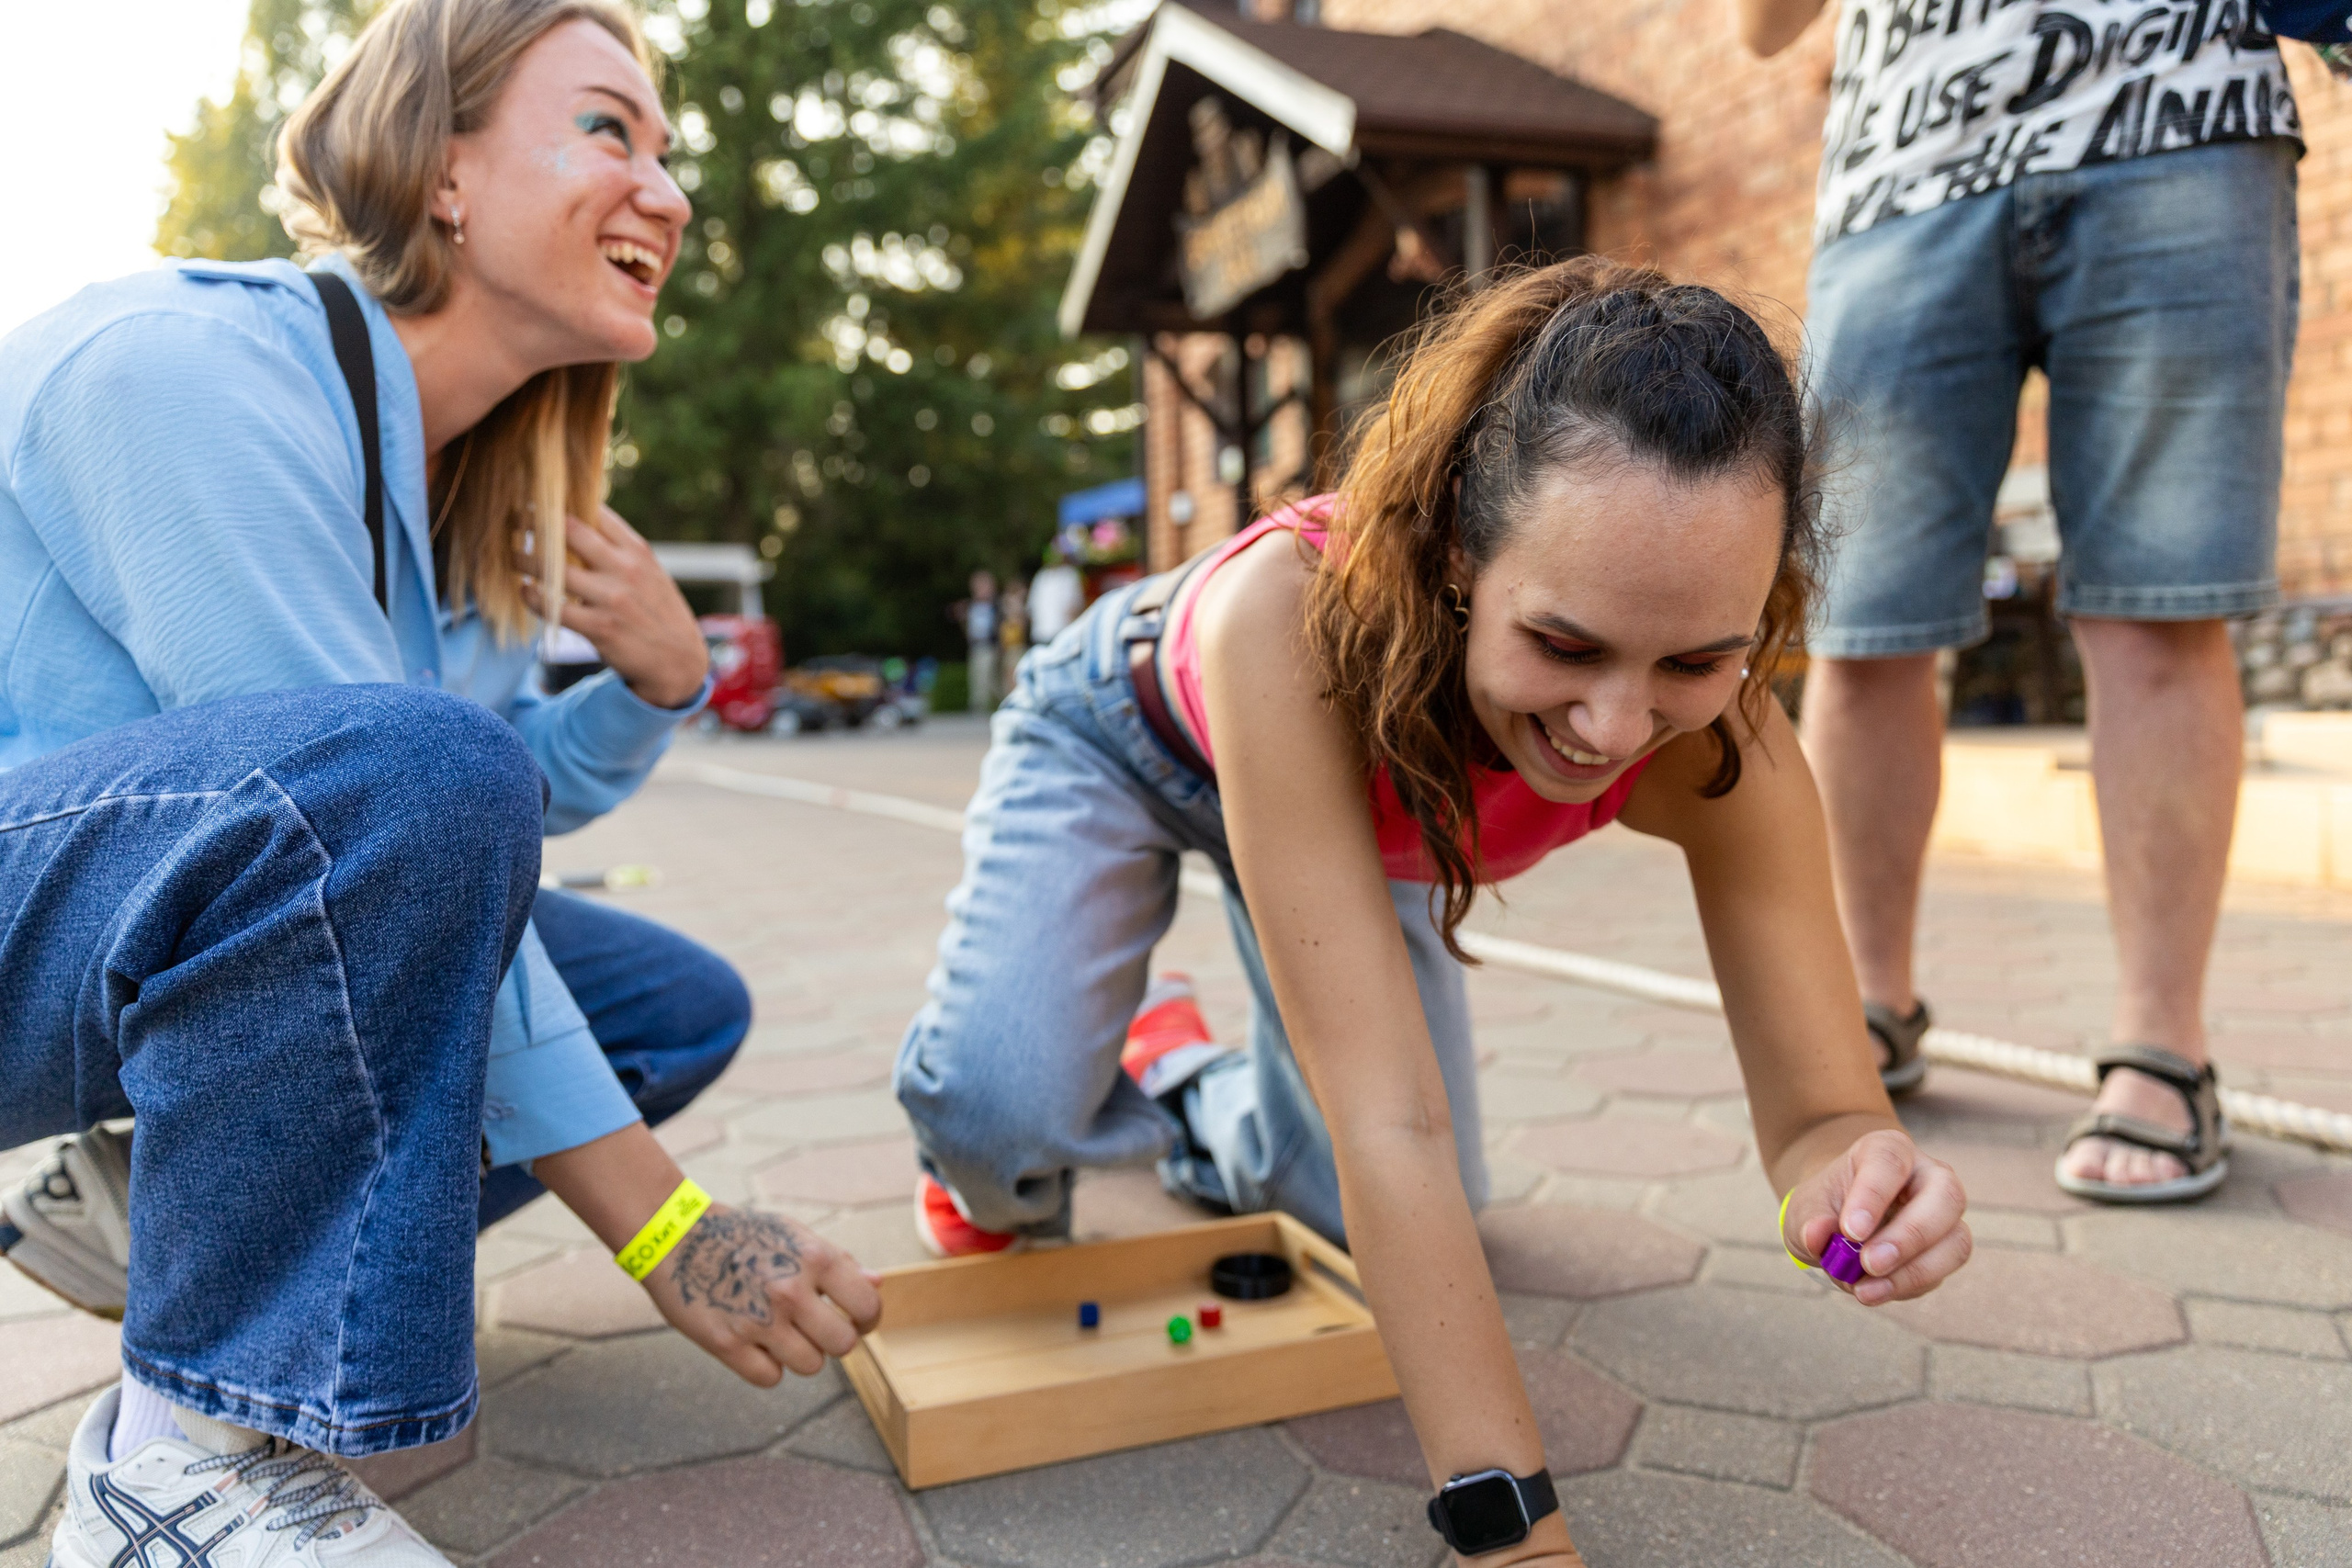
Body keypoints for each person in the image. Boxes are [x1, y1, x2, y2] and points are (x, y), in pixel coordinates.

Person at [894, 261, 1972, 1565]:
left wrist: (1851, 1184)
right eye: (1566, 645)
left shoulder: (1723, 742)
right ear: (1461, 547)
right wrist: (1512, 1530)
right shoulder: (1285, 620)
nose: (1616, 727)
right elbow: (1386, 1115)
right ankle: (996, 1147)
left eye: (1694, 658)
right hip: (1134, 731)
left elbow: (1823, 1113)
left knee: (1382, 1216)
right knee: (1004, 1112)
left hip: (1367, 823)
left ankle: (1173, 1064)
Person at [0, 4, 877, 1562]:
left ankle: (182, 1243)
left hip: (110, 912)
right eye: (610, 129)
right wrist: (670, 1229)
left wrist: (655, 689)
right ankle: (185, 1452)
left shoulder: (395, 489)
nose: (668, 192)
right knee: (414, 785)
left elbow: (471, 825)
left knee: (663, 998)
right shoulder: (192, 373)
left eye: (668, 153)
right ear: (445, 170)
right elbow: (386, 808)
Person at [1741, 0, 2301, 1201]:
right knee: (1863, 624)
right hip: (1905, 157)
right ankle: (1863, 1011)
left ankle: (2163, 1050)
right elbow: (1761, 28)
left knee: (2158, 606)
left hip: (2177, 101)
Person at [1028, 542, 1085, 645]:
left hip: (1062, 634)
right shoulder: (1041, 576)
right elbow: (1032, 607)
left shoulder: (1069, 575)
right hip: (1041, 634)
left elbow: (1075, 608)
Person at [962, 569, 1001, 713]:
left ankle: (983, 704)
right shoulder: (972, 605)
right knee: (976, 675)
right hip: (975, 645)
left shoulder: (995, 606)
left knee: (988, 677)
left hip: (989, 645)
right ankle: (978, 704)